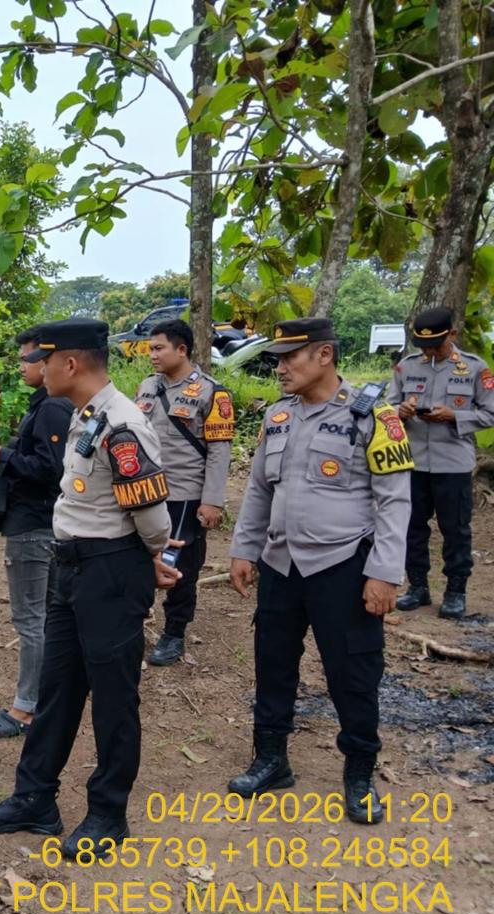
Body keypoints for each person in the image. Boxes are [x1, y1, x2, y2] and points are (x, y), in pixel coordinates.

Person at [0, 317, 181, 849]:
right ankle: (34, 798)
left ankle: (108, 813)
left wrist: (148, 557)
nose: (37, 369)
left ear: (68, 363)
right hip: (70, 565)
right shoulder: (87, 414)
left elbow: (152, 518)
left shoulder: (123, 424)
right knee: (57, 688)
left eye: (43, 360)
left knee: (113, 699)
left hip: (110, 570)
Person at [228, 317, 412, 824]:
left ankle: (359, 772)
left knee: (353, 673)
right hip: (281, 564)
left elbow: (395, 501)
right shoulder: (278, 416)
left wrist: (384, 572)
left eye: (291, 357)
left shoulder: (374, 416)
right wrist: (244, 550)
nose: (281, 368)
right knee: (273, 663)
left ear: (324, 355)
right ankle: (271, 759)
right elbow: (259, 490)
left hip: (342, 565)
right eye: (278, 359)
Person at [0, 326, 73, 738]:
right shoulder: (45, 405)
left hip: (34, 527)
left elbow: (50, 470)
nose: (22, 366)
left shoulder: (53, 408)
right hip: (41, 524)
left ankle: (25, 709)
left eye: (28, 359)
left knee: (31, 620)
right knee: (49, 617)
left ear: (50, 362)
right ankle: (50, 697)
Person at [135, 318, 235, 665]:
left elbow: (220, 451)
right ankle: (135, 620)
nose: (152, 355)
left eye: (159, 348)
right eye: (150, 349)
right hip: (146, 491)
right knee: (139, 556)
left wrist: (212, 501)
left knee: (179, 565)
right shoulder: (147, 386)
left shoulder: (212, 392)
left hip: (184, 493)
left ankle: (174, 632)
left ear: (181, 350)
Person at [389, 307, 494, 619]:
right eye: (424, 346)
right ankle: (418, 587)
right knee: (412, 528)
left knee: (455, 530)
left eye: (436, 345)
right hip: (413, 463)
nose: (430, 352)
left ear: (453, 334)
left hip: (453, 463)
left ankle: (455, 592)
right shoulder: (407, 366)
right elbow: (386, 406)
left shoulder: (474, 368)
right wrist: (400, 411)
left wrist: (454, 416)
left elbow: (490, 412)